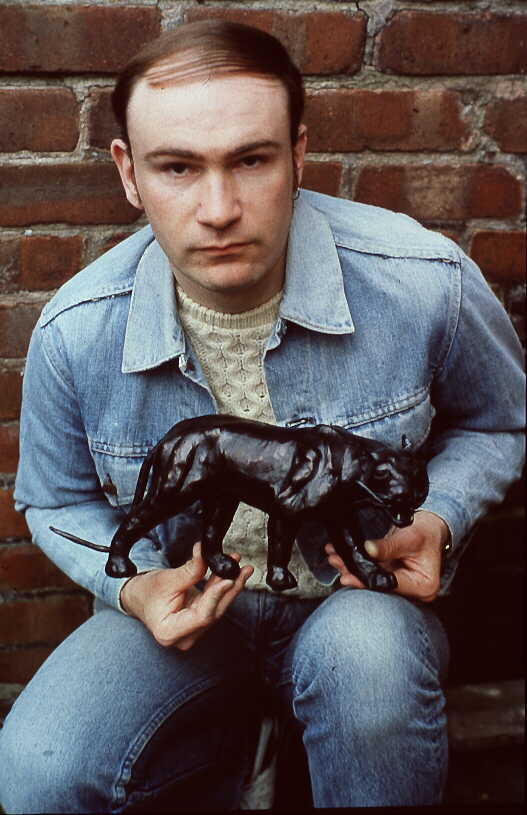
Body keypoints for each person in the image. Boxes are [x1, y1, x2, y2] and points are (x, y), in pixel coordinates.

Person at [0, 20, 524, 812]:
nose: (218, 208)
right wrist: (135, 588)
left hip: (355, 605)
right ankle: (231, 740)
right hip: (186, 609)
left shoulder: (424, 280)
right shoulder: (77, 328)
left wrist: (439, 517)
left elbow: (497, 423)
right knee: (39, 766)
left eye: (250, 159)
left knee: (369, 676)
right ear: (129, 173)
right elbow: (51, 497)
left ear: (298, 154)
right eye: (177, 166)